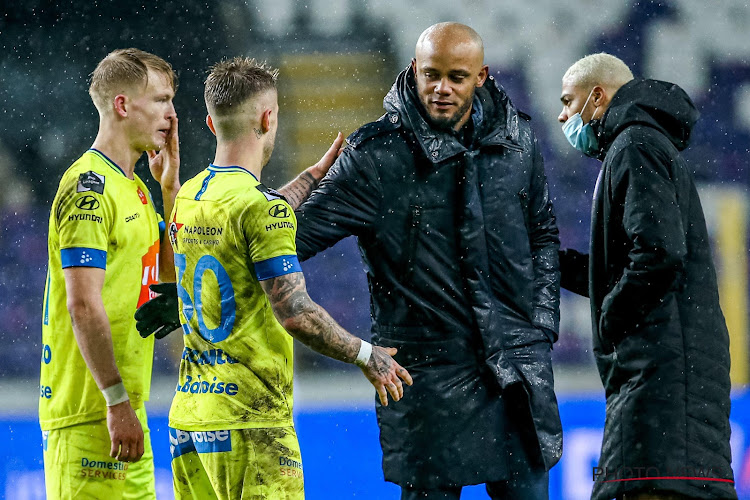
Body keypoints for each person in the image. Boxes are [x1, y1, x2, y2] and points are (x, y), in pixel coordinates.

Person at [294, 23, 561, 499]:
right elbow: (286, 241)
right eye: (431, 74)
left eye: (456, 77)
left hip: (516, 370)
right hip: (425, 377)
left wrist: (540, 326)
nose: (441, 89)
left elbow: (542, 234)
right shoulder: (375, 156)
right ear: (414, 69)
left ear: (482, 76)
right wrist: (202, 276)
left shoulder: (518, 139)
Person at [159, 57, 412, 500]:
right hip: (251, 422)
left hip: (190, 419)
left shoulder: (191, 196)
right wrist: (366, 354)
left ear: (211, 123)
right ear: (268, 117)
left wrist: (313, 177)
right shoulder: (260, 209)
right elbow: (295, 314)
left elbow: (254, 214)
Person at [557, 53, 737, 500]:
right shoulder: (642, 144)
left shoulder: (635, 144)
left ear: (597, 97)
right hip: (669, 382)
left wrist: (609, 323)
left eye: (567, 101)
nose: (562, 115)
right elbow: (621, 267)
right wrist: (547, 260)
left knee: (645, 490)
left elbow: (659, 253)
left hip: (660, 386)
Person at [39, 48, 181, 500]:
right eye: (160, 100)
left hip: (124, 413)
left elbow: (164, 290)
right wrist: (115, 400)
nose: (172, 114)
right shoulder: (88, 189)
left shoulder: (136, 188)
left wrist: (170, 190)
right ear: (122, 106)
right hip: (90, 415)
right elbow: (81, 303)